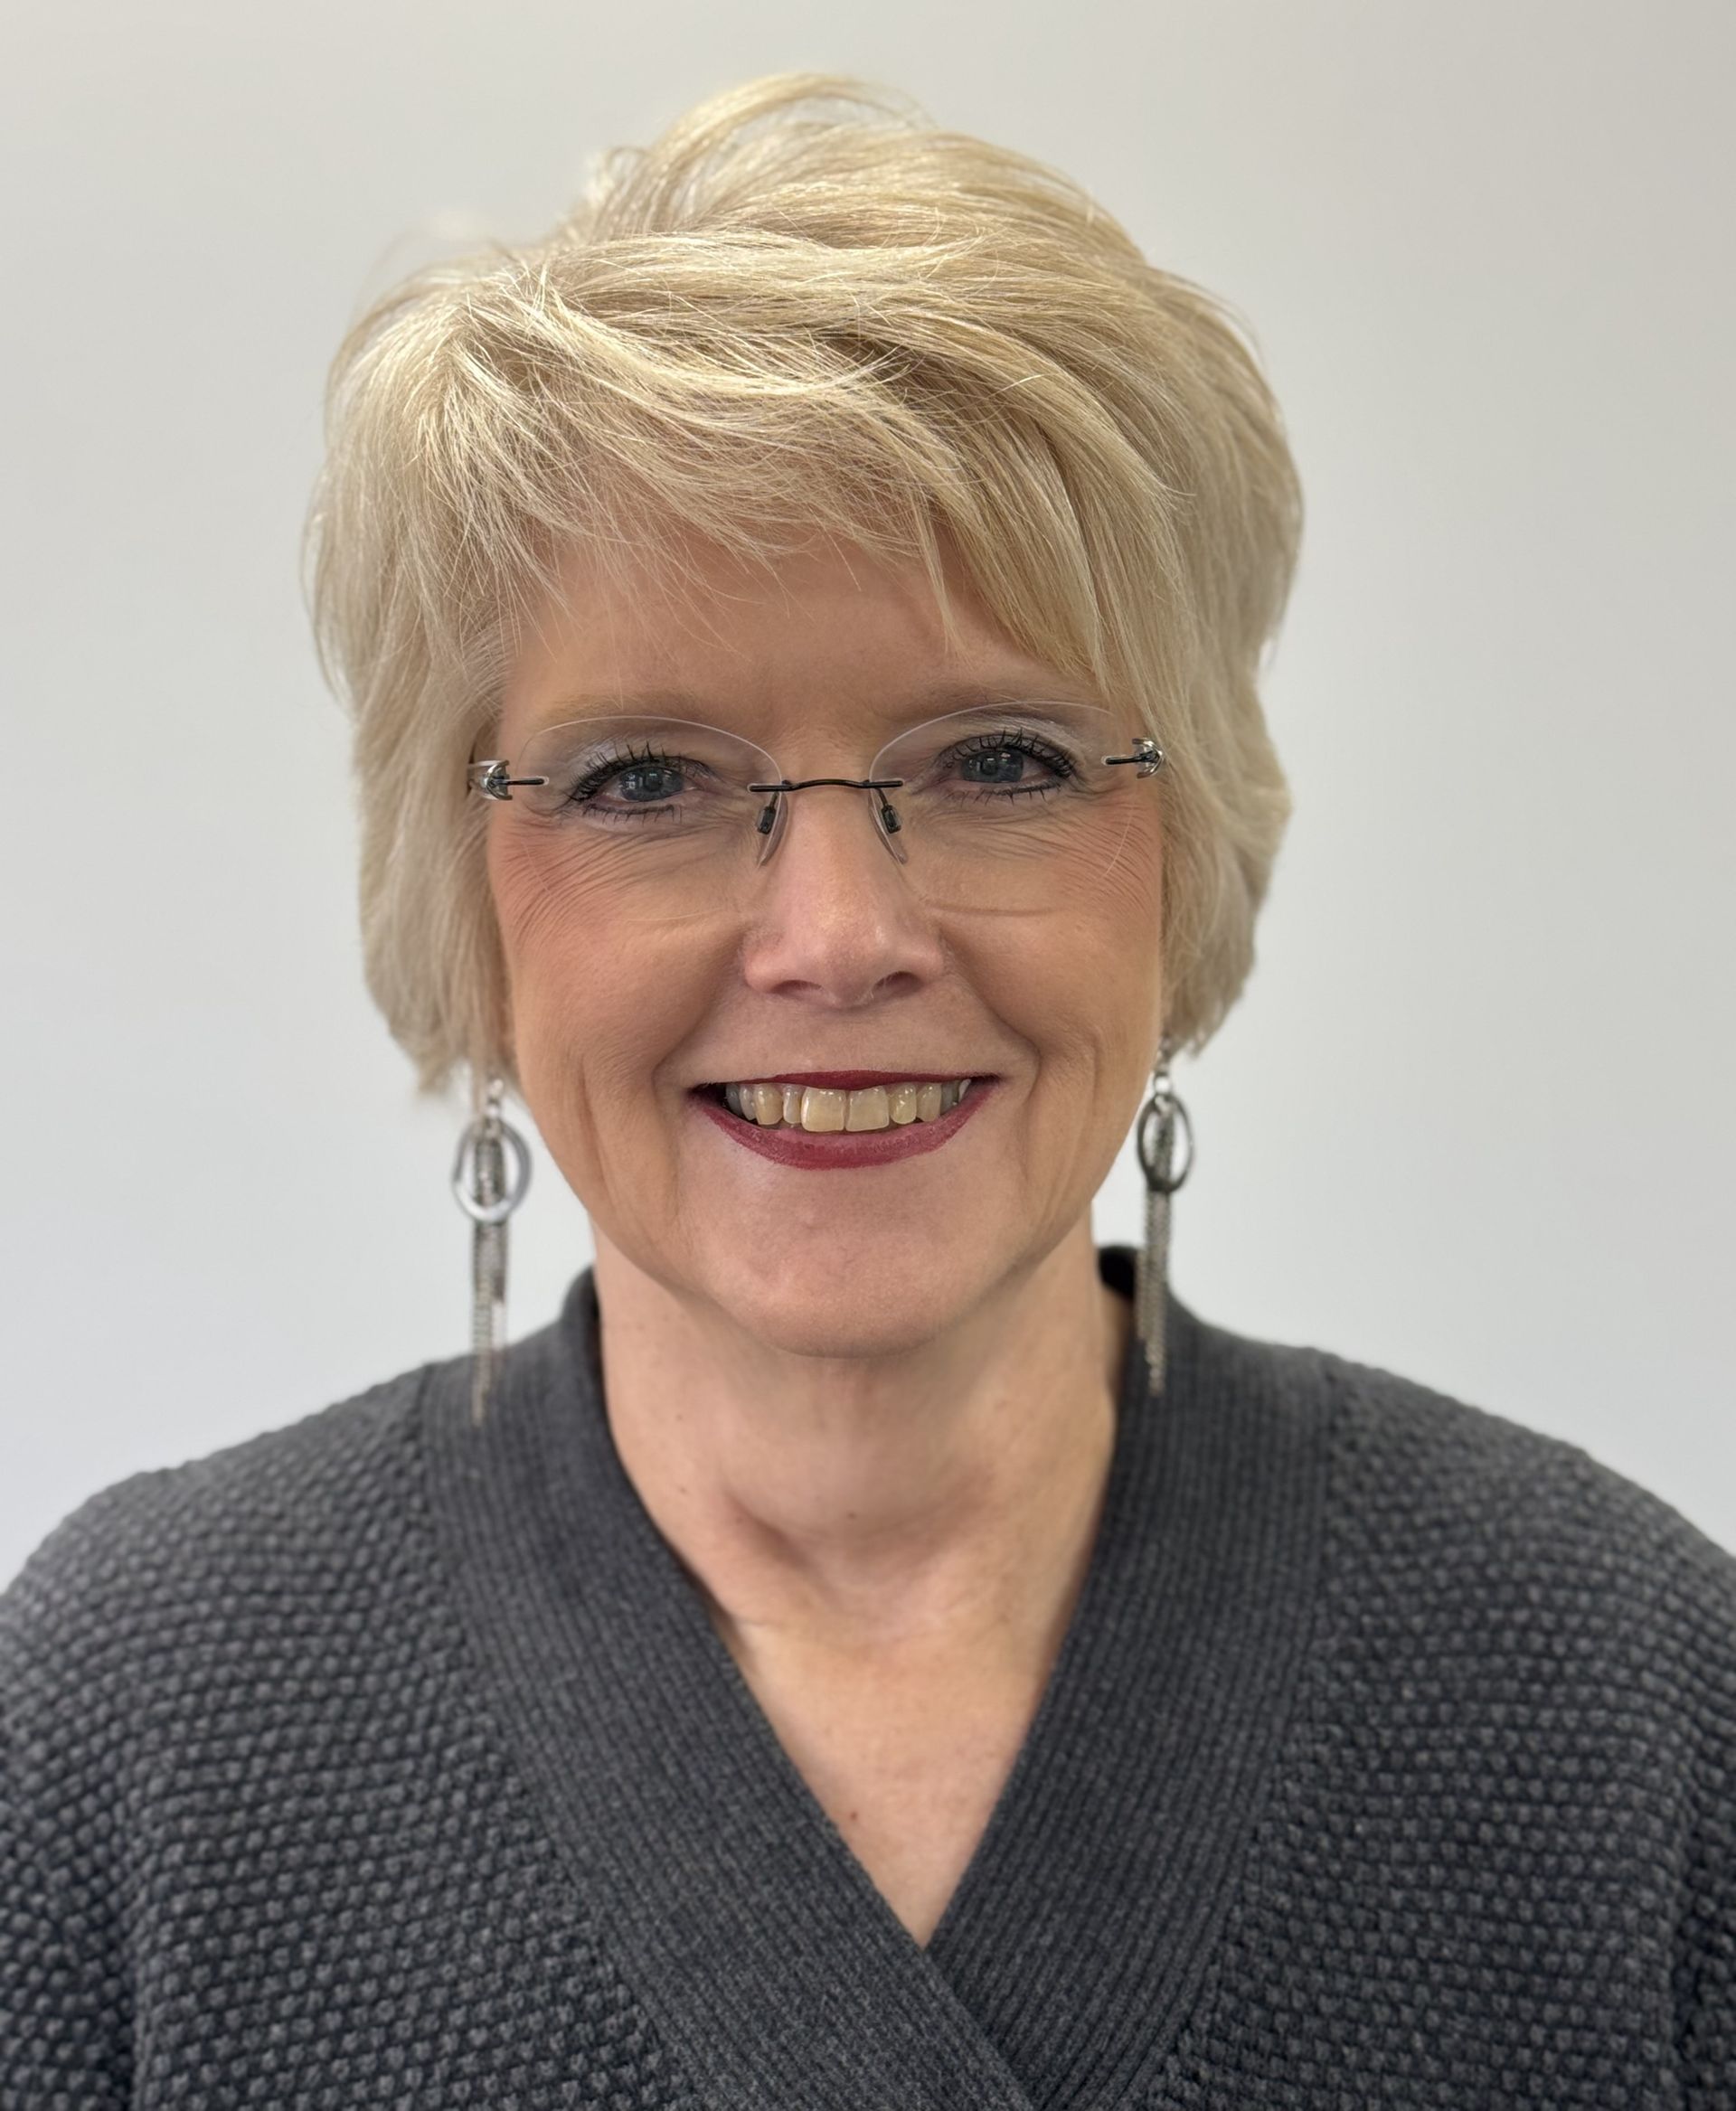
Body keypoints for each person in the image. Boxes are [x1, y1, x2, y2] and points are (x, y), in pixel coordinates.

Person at [3, 71, 1731, 2109]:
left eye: (999, 761)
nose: (834, 935)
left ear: (1183, 865)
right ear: (463, 894)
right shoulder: (134, 1724)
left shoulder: (1627, 1710)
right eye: (646, 780)